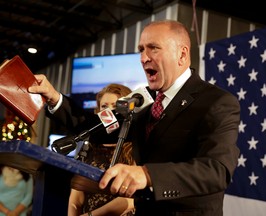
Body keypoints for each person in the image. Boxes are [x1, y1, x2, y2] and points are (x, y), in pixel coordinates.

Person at [29, 19, 240, 215]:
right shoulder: (142, 101)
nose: (143, 58)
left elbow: (216, 170)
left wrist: (147, 175)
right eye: (141, 50)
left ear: (182, 55)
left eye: (153, 48)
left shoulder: (216, 102)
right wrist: (54, 98)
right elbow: (97, 127)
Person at [67, 84, 136, 216]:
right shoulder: (88, 146)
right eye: (104, 106)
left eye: (115, 106)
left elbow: (130, 200)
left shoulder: (135, 147)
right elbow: (76, 198)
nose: (109, 111)